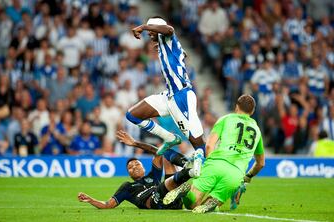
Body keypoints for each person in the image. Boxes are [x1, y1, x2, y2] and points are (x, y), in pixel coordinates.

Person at [163, 95, 265, 213]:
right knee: (212, 203)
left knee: (191, 203)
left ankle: (186, 190)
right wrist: (248, 176)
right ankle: (212, 203)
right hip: (236, 172)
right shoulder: (257, 130)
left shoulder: (225, 119)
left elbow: (209, 145)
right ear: (252, 111)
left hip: (216, 163)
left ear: (236, 106)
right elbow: (261, 163)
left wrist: (209, 164)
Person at [126, 16, 205, 155]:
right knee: (132, 115)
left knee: (198, 144)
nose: (149, 32)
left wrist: (143, 26)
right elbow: (180, 54)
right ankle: (170, 138)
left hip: (182, 95)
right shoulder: (164, 44)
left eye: (152, 28)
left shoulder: (168, 36)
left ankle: (213, 169)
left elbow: (169, 29)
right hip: (168, 95)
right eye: (148, 29)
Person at [78, 130, 203, 210]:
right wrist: (90, 200)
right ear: (129, 174)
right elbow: (108, 205)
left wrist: (135, 143)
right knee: (161, 188)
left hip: (172, 202)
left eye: (137, 164)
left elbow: (158, 153)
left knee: (165, 153)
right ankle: (189, 174)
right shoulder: (127, 187)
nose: (134, 167)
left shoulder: (153, 175)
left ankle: (187, 165)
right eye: (130, 168)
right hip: (156, 201)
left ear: (143, 167)